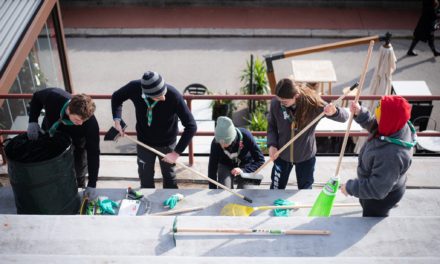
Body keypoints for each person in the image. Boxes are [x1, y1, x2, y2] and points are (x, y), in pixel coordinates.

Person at [111, 71, 197, 188]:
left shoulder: (173, 95)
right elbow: (116, 97)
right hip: (143, 142)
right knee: (145, 177)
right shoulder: (134, 87)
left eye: (163, 92)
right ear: (146, 94)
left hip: (167, 144)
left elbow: (191, 126)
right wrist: (117, 120)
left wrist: (176, 153)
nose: (163, 97)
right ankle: (146, 202)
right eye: (158, 96)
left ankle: (170, 200)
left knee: (169, 177)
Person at [341, 96, 416, 217]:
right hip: (388, 182)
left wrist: (351, 188)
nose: (375, 114)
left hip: (381, 199)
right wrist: (360, 113)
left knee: (370, 219)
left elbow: (377, 189)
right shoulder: (396, 125)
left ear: (388, 120)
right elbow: (377, 125)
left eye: (378, 113)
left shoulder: (391, 156)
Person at [267, 78, 349, 190]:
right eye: (278, 100)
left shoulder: (313, 104)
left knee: (305, 190)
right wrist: (272, 144)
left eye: (284, 101)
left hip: (305, 156)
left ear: (296, 96)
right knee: (275, 189)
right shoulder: (276, 103)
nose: (280, 103)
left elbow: (345, 117)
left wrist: (334, 112)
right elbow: (272, 125)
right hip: (282, 155)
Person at [27, 88, 100, 191]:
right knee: (50, 167)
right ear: (69, 109)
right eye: (77, 120)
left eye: (84, 120)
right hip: (51, 134)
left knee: (78, 172)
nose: (81, 124)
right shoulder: (53, 96)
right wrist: (33, 121)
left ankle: (79, 186)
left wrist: (92, 184)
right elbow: (36, 97)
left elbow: (93, 153)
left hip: (77, 147)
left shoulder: (90, 124)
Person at [208, 116, 265, 189]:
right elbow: (212, 168)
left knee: (245, 192)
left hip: (246, 165)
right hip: (225, 165)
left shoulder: (246, 136)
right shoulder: (215, 143)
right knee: (224, 190)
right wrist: (213, 189)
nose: (221, 145)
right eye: (220, 142)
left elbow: (260, 160)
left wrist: (244, 170)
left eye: (225, 143)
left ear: (232, 138)